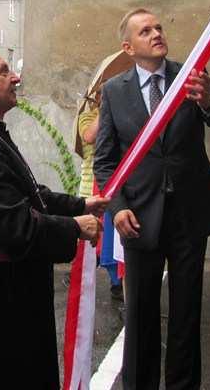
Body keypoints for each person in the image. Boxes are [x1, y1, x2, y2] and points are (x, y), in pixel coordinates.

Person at [0, 48, 107, 390]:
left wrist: (82, 204)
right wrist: (75, 227)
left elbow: (31, 192)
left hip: (4, 285)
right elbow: (15, 226)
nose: (16, 77)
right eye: (4, 72)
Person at [94, 8, 210, 390]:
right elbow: (105, 162)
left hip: (190, 213)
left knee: (186, 313)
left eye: (158, 27)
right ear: (129, 46)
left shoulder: (191, 77)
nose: (157, 33)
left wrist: (208, 102)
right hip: (139, 216)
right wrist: (118, 207)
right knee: (140, 314)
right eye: (146, 31)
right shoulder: (114, 92)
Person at [77, 88, 123, 301]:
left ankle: (116, 283)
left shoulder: (118, 114)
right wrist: (108, 107)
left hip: (110, 186)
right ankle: (81, 278)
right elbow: (89, 136)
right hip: (90, 186)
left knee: (111, 237)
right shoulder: (86, 117)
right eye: (102, 92)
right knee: (92, 237)